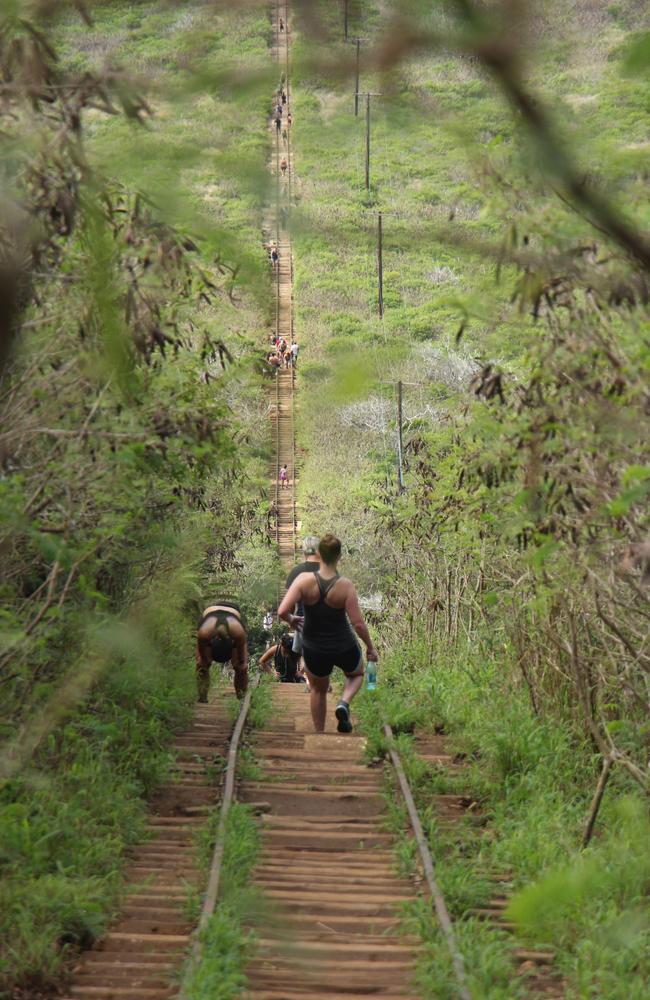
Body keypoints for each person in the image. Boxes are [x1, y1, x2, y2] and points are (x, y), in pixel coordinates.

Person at [278, 534, 378, 734]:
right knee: (356, 674)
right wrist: (370, 647)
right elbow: (357, 624)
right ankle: (343, 702)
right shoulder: (345, 585)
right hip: (344, 645)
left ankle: (321, 735)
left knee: (318, 690)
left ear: (319, 554)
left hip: (314, 648)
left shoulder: (304, 581)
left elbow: (282, 611)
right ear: (339, 556)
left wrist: (292, 620)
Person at [195, 602, 248, 702]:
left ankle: (241, 699)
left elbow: (241, 661)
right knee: (202, 664)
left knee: (241, 667)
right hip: (211, 615)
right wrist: (203, 660)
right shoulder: (205, 632)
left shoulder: (237, 631)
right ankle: (202, 697)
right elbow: (202, 658)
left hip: (233, 614)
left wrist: (241, 663)